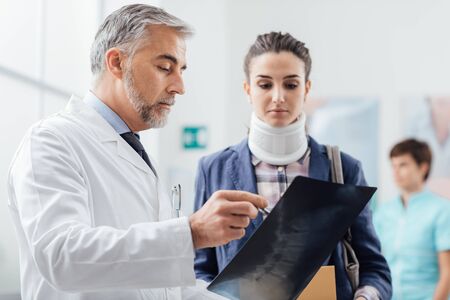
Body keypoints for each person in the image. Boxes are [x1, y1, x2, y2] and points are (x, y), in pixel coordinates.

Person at [7, 4, 267, 300]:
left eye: (181, 70)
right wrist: (192, 232)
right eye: (165, 68)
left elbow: (169, 289)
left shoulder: (139, 156)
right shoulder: (51, 141)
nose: (180, 87)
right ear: (117, 62)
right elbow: (62, 256)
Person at [193, 32, 392, 300]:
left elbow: (374, 267)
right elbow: (200, 268)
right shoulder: (213, 169)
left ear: (306, 88)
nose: (278, 97)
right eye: (265, 85)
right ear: (248, 89)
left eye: (290, 84)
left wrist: (367, 297)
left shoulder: (344, 168)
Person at [374, 139, 450, 300]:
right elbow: (375, 262)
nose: (396, 172)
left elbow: (447, 272)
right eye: (393, 166)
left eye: (403, 165)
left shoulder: (442, 210)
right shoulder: (384, 212)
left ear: (423, 167)